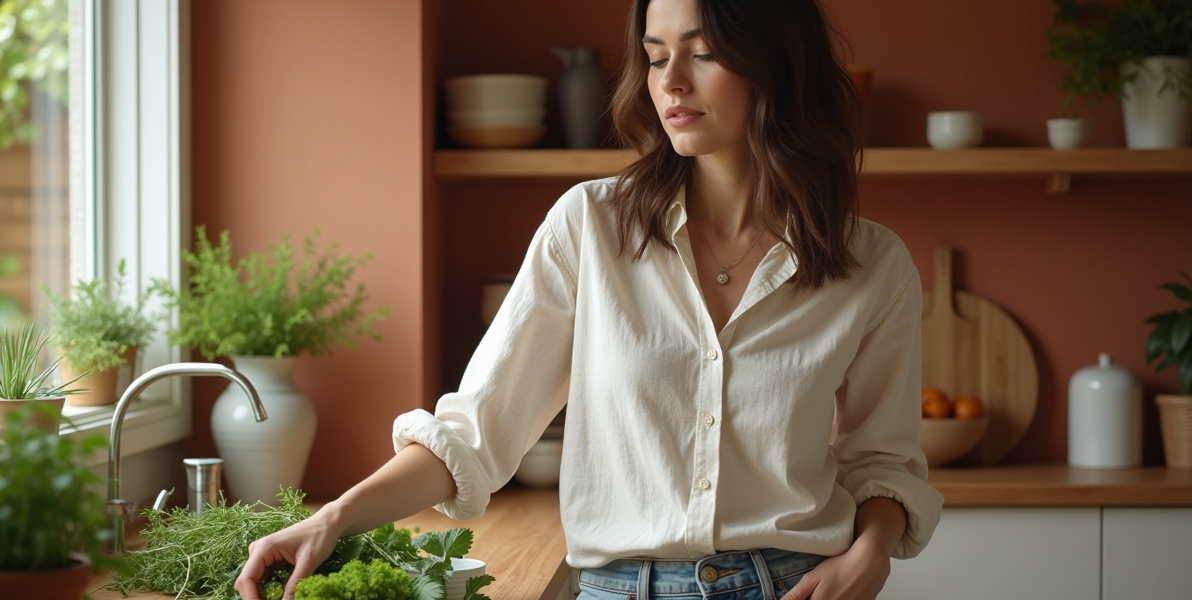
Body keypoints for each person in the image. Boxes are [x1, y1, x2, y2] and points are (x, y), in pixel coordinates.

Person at [235, 0, 943, 598]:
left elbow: (882, 462)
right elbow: (476, 432)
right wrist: (329, 519)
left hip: (793, 582)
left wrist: (869, 553)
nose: (671, 82)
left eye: (701, 53)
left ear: (777, 65)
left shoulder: (871, 265)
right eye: (656, 54)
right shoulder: (589, 227)